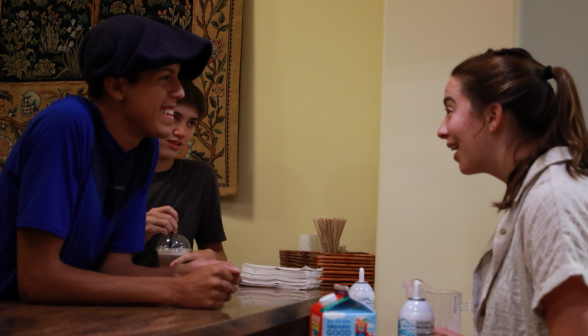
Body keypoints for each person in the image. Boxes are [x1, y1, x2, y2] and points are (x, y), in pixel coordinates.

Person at [0, 15, 240, 309]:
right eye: (166, 77)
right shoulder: (66, 124)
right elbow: (37, 280)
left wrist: (185, 274)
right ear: (117, 87)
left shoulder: (144, 146)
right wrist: (175, 290)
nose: (179, 91)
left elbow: (115, 268)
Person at [435, 48, 588, 336]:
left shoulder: (552, 199)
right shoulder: (532, 196)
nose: (442, 130)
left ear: (493, 116)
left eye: (450, 110)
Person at [132, 80, 228, 268]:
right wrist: (133, 232)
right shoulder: (107, 173)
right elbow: (78, 261)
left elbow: (218, 254)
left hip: (177, 291)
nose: (181, 132)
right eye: (174, 117)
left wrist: (211, 258)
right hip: (117, 291)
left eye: (191, 123)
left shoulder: (201, 176)